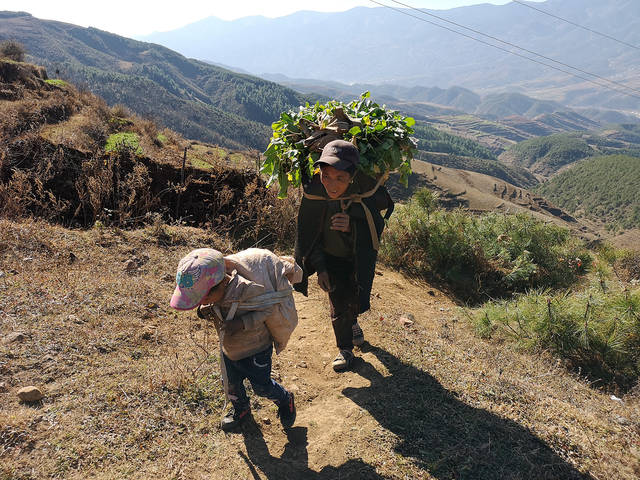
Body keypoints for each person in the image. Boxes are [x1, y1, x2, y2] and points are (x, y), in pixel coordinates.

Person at [169, 247, 302, 431]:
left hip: (256, 348)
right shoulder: (213, 296)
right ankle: (242, 410)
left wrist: (242, 323)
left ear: (222, 283)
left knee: (261, 387)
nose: (202, 303)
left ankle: (285, 399)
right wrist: (206, 312)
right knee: (230, 384)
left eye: (203, 298)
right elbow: (209, 305)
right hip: (230, 349)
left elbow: (267, 309)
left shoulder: (246, 289)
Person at [294, 139, 394, 371]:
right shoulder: (316, 196)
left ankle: (354, 321)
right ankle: (345, 349)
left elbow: (375, 228)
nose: (332, 184)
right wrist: (320, 267)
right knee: (338, 302)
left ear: (352, 176)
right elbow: (310, 235)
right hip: (331, 258)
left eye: (340, 178)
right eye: (326, 176)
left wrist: (353, 226)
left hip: (356, 260)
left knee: (356, 297)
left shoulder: (365, 196)